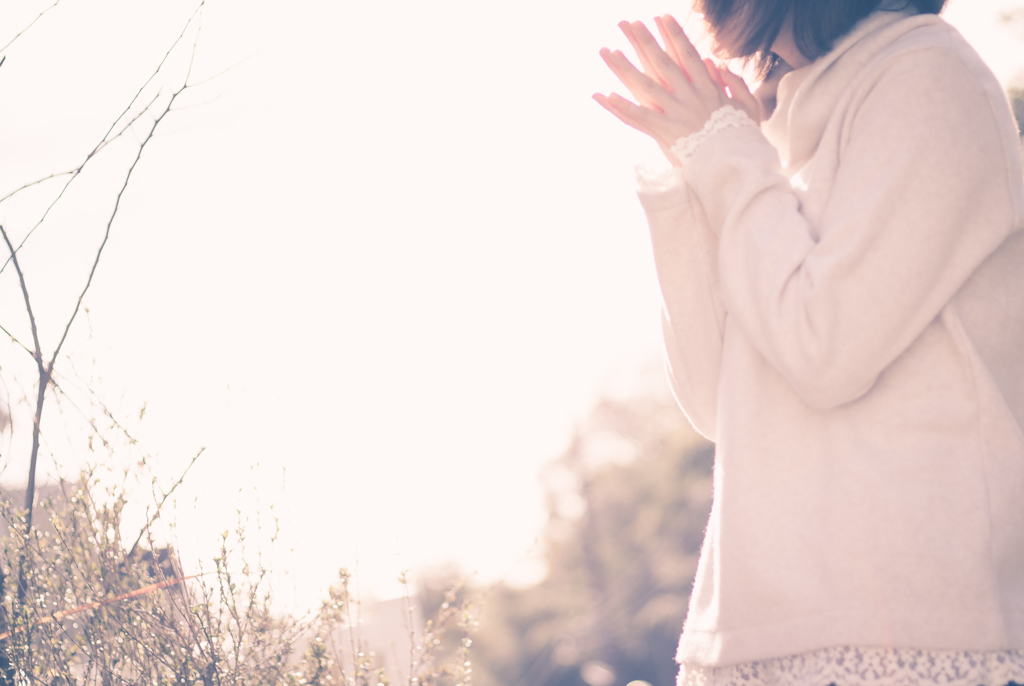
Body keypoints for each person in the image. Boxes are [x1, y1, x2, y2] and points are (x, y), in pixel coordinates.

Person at [594, 1, 1024, 685]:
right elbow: (716, 403)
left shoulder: (928, 75)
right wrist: (692, 168)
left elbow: (824, 351)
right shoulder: (774, 122)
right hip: (754, 628)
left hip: (909, 632)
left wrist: (723, 151)